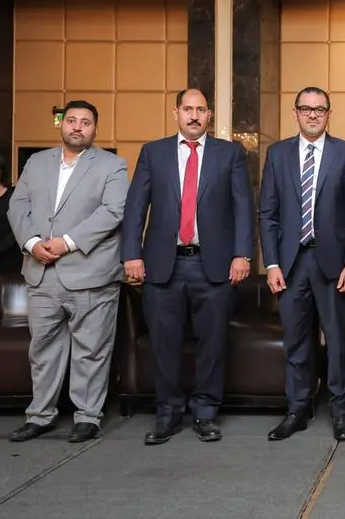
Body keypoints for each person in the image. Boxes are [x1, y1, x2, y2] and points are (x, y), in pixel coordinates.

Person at [121, 88, 255, 446]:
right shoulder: (154, 152)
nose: (194, 115)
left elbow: (244, 207)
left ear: (209, 115)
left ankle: (206, 412)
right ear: (175, 113)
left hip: (214, 265)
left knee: (212, 343)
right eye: (188, 109)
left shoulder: (230, 153)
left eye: (201, 110)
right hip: (162, 264)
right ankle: (167, 414)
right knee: (163, 343)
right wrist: (131, 254)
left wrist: (243, 254)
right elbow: (135, 207)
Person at [6, 100, 128, 443]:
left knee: (91, 350)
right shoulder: (37, 162)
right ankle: (40, 416)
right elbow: (18, 205)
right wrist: (32, 243)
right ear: (61, 124)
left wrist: (67, 243)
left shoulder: (112, 165)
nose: (77, 126)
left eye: (85, 122)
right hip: (41, 271)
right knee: (42, 349)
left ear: (95, 129)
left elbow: (113, 210)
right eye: (71, 120)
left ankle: (87, 417)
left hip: (91, 273)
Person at [259, 86, 345, 442]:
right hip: (291, 264)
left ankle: (340, 411)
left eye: (319, 109)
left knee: (337, 341)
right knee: (296, 341)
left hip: (334, 264)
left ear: (328, 114)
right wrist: (271, 264)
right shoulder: (277, 154)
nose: (312, 115)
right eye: (305, 109)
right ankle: (297, 409)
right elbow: (268, 214)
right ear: (295, 113)